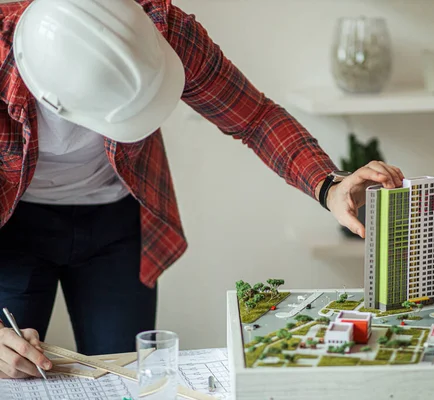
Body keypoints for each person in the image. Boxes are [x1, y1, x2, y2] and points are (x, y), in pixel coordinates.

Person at [0, 0, 404, 379]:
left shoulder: (160, 30)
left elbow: (255, 118)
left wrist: (327, 185)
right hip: (12, 228)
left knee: (125, 375)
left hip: (118, 222)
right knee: (14, 371)